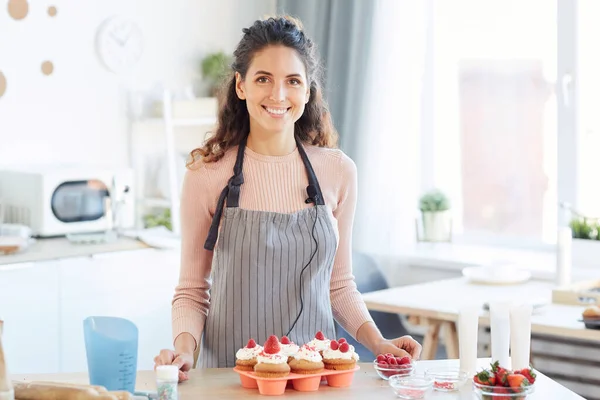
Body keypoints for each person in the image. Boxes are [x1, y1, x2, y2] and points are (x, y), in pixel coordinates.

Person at [154, 16, 422, 381]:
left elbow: (339, 284)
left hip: (315, 376)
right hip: (232, 379)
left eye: (292, 81)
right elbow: (192, 289)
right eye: (263, 78)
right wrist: (184, 350)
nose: (278, 95)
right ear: (241, 85)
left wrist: (378, 343)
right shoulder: (207, 174)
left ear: (308, 90)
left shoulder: (338, 171)